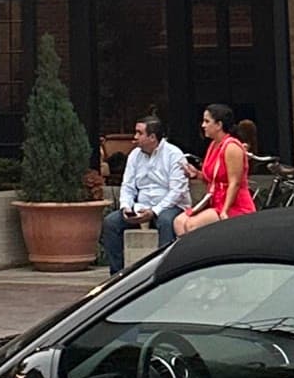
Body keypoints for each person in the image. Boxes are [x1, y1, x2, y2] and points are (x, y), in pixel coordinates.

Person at [99, 117, 193, 286]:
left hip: (169, 206)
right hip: (141, 206)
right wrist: (126, 207)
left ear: (153, 137)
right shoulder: (134, 155)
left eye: (139, 133)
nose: (134, 137)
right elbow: (127, 186)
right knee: (111, 222)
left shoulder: (174, 155)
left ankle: (163, 276)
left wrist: (154, 211)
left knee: (166, 221)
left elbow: (177, 192)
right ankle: (116, 278)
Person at [175, 101, 255, 234]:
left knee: (192, 225)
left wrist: (224, 210)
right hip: (215, 199)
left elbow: (234, 183)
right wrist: (197, 174)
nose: (203, 125)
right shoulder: (213, 145)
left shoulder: (231, 147)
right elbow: (211, 178)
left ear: (219, 125)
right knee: (179, 222)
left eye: (207, 121)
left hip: (233, 204)